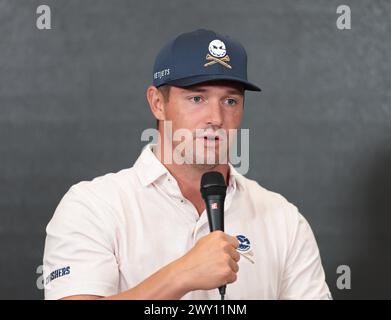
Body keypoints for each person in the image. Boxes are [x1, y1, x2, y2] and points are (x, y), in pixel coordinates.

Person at [43, 29, 331, 300]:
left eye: (230, 101)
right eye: (197, 98)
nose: (216, 118)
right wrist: (181, 274)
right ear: (157, 103)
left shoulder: (283, 218)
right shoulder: (93, 206)